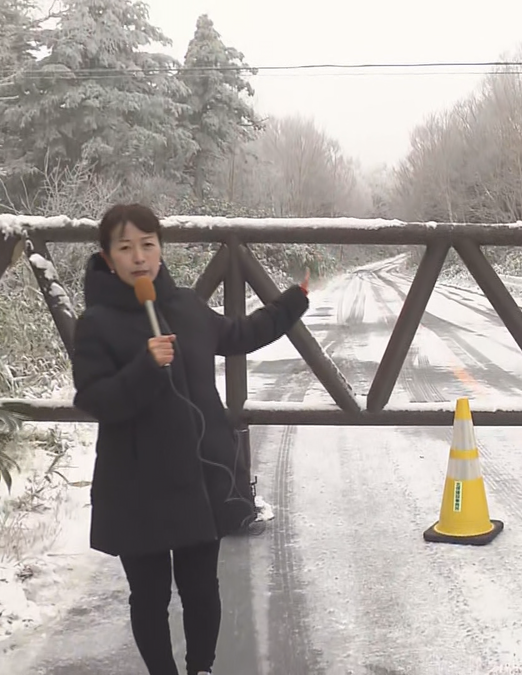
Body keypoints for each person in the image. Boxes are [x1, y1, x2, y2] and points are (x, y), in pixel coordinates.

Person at [70, 203, 310, 675]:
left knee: (202, 588)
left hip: (199, 478)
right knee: (150, 596)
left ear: (161, 249)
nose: (138, 257)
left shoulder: (185, 306)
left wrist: (292, 301)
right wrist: (145, 366)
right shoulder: (96, 324)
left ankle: (201, 667)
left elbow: (242, 333)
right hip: (136, 486)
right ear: (107, 255)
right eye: (125, 247)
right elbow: (97, 400)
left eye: (148, 244)